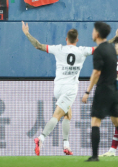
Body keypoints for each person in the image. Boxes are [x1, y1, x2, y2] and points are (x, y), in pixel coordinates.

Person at [22, 22, 93, 156]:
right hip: (70, 89)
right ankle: (41, 138)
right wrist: (116, 37)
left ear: (66, 40)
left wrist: (26, 33)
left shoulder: (58, 48)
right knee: (57, 115)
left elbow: (38, 45)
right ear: (77, 40)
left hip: (58, 88)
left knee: (68, 114)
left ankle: (66, 145)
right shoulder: (82, 50)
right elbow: (101, 48)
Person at [81, 22, 118, 162]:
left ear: (97, 34)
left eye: (93, 30)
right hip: (115, 91)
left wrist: (87, 92)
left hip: (103, 90)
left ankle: (94, 156)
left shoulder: (99, 51)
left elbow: (96, 73)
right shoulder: (112, 49)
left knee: (95, 121)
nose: (92, 33)